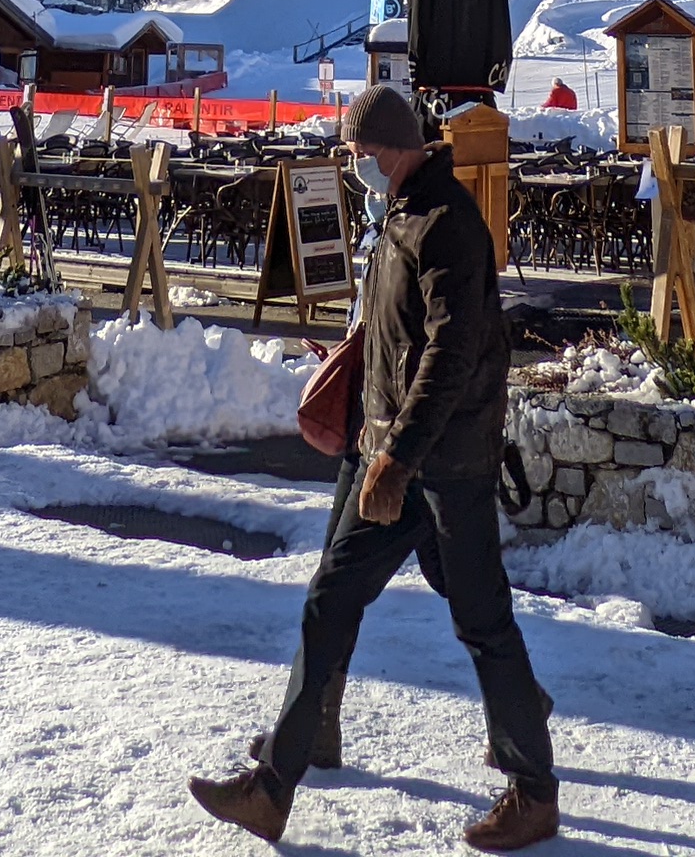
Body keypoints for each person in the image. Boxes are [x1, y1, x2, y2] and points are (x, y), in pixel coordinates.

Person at [190, 87, 557, 849]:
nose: (353, 164)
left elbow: (449, 356)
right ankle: (274, 786)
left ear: (391, 148)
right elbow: (397, 342)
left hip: (441, 465)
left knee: (481, 619)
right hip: (389, 454)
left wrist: (397, 457)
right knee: (330, 599)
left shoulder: (446, 224)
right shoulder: (400, 215)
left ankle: (533, 789)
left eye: (358, 153)